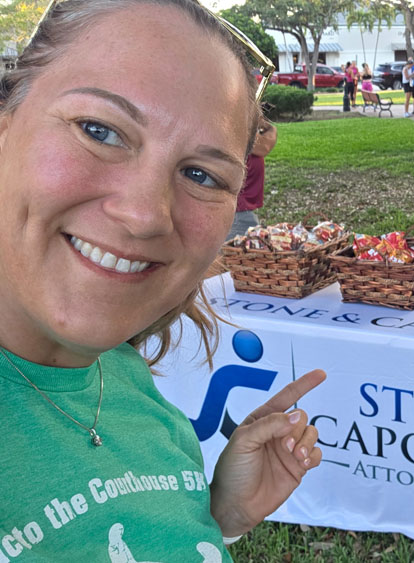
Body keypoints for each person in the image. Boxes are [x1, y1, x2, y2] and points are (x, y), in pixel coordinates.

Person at [0, 0, 326, 559]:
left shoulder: (124, 377)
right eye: (100, 130)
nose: (147, 214)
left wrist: (214, 519)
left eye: (201, 174)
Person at [229, 117, 277, 238]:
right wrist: (270, 128)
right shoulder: (234, 129)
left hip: (240, 211)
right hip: (237, 214)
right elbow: (264, 147)